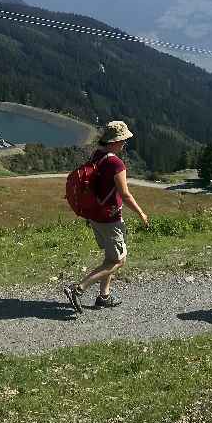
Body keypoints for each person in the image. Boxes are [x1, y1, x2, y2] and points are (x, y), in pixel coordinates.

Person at [65, 120, 149, 311]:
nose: (124, 144)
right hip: (110, 219)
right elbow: (125, 194)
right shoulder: (115, 163)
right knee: (119, 260)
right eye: (123, 140)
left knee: (110, 258)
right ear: (115, 141)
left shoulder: (98, 156)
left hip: (95, 216)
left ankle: (104, 295)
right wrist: (141, 213)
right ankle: (78, 289)